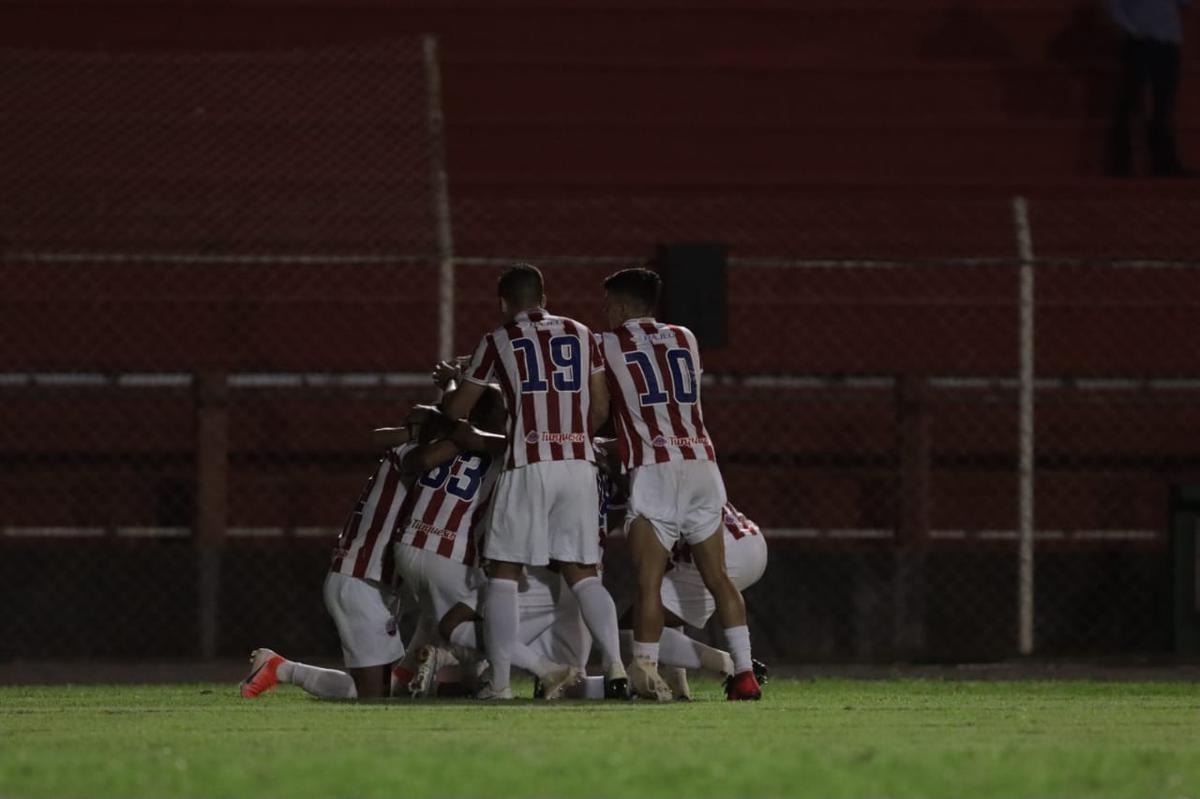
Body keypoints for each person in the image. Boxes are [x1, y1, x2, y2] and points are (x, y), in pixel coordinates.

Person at [441, 263, 628, 700]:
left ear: (504, 302)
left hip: (529, 463)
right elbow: (601, 407)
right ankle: (617, 667)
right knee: (583, 572)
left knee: (504, 572)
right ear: (544, 297)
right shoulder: (584, 334)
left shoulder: (497, 339)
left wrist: (452, 382)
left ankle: (502, 685)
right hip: (578, 464)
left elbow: (458, 410)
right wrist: (574, 437)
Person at [598, 267, 761, 701]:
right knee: (719, 578)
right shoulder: (686, 337)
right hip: (702, 464)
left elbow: (600, 407)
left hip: (656, 471)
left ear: (618, 305)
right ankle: (744, 673)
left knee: (649, 582)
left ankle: (646, 671)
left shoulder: (605, 344)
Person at [240, 425, 420, 700]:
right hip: (361, 579)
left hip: (375, 580)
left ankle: (280, 668)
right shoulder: (416, 454)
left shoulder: (416, 451)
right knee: (377, 698)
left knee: (385, 690)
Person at [1109, 0, 1192, 176]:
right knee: (1131, 101)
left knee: (1164, 104)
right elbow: (1114, 6)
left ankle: (1165, 164)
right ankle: (1121, 164)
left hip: (1170, 42)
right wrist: (1133, 31)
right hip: (1141, 42)